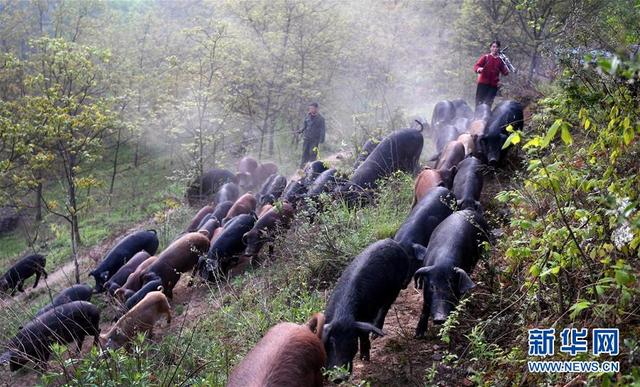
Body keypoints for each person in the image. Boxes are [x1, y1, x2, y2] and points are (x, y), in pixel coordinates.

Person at [473, 40, 509, 108]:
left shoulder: (500, 60)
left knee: (488, 103)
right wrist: (479, 69)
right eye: (493, 47)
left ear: (499, 48)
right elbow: (476, 66)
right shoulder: (486, 57)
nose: (495, 48)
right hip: (483, 83)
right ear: (490, 48)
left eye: (497, 47)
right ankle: (476, 117)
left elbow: (505, 72)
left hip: (493, 86)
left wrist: (507, 65)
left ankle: (486, 118)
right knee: (479, 102)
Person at [298, 102, 326, 169]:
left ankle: (312, 169)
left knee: (313, 154)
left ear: (316, 109)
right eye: (310, 108)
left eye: (312, 108)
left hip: (315, 140)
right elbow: (305, 126)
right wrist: (300, 130)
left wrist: (322, 139)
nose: (311, 110)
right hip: (306, 138)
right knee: (304, 154)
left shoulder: (321, 119)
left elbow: (323, 129)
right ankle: (301, 169)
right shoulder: (307, 117)